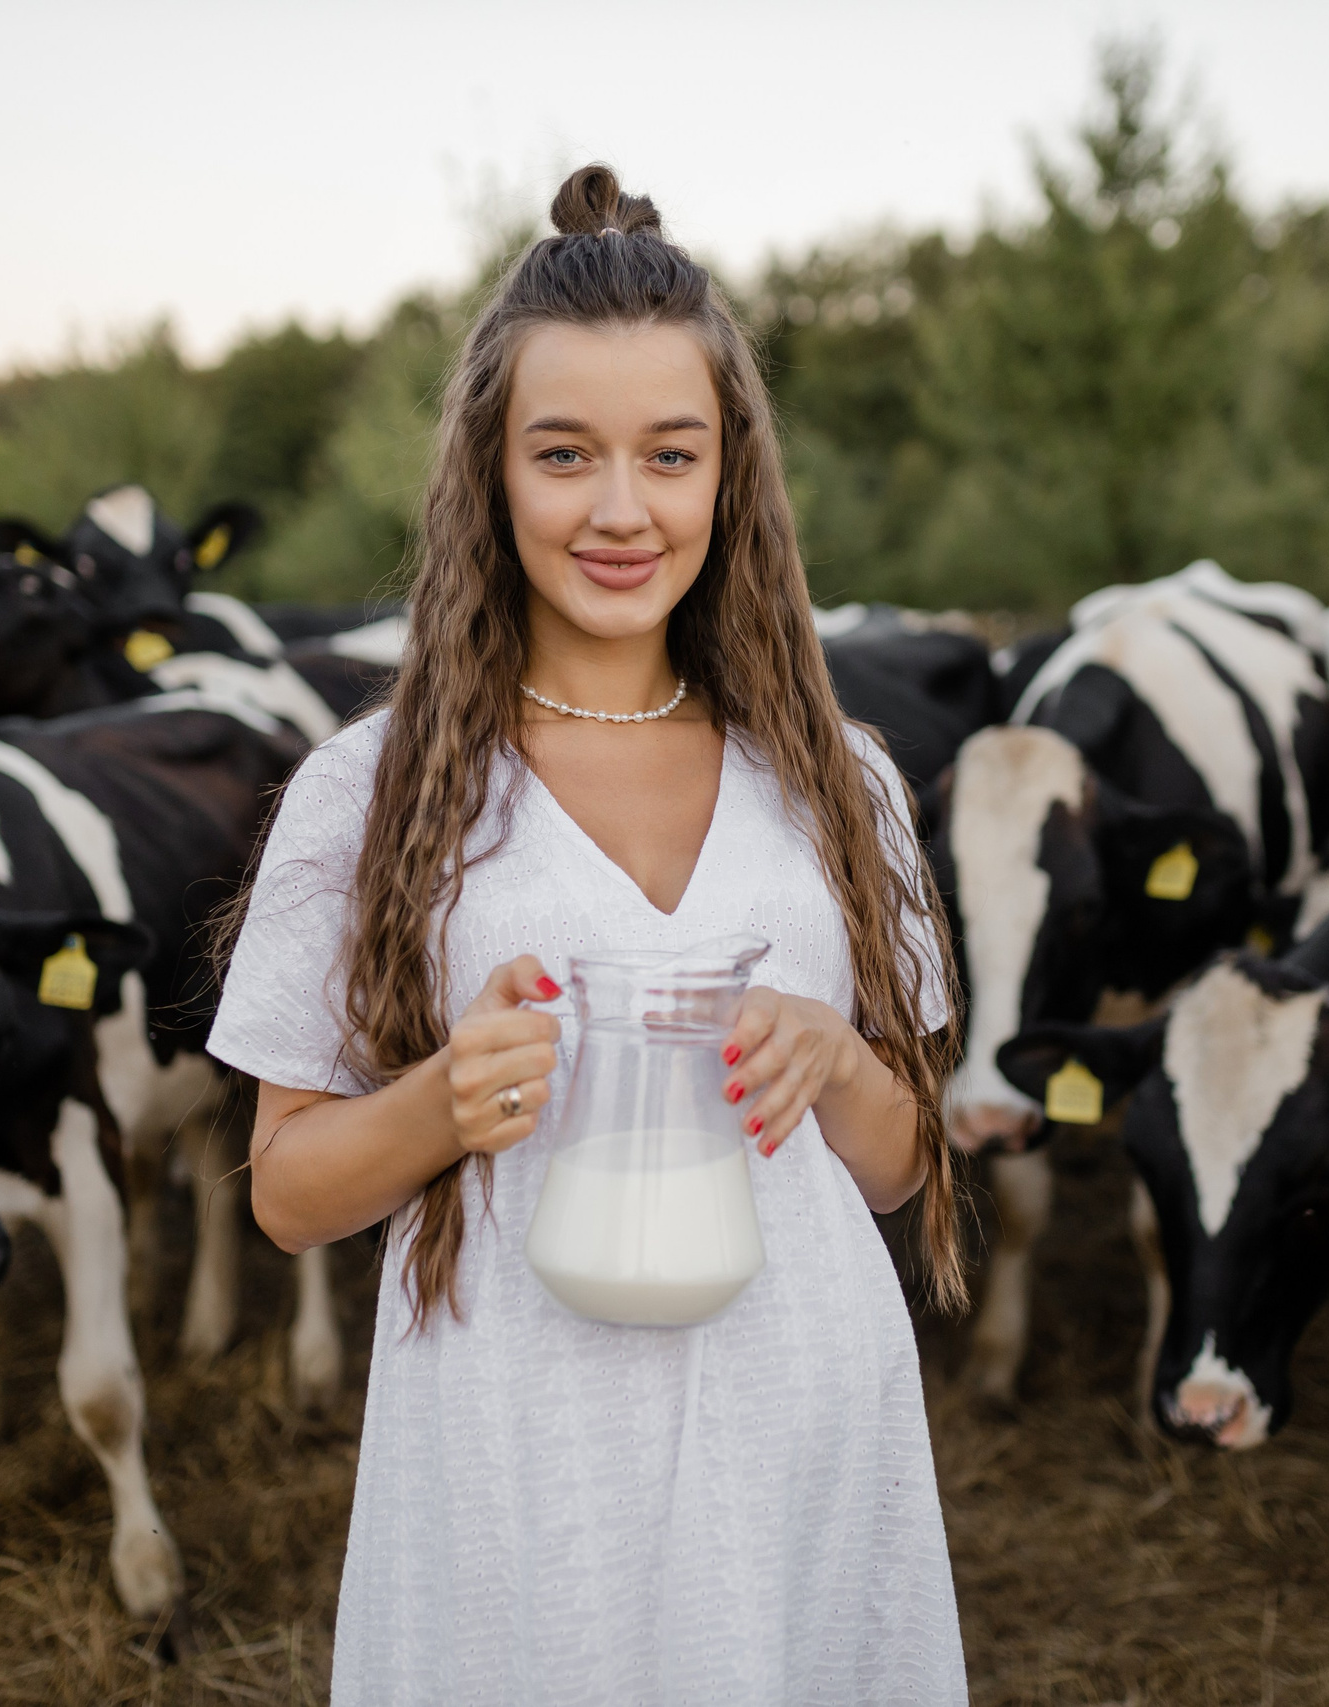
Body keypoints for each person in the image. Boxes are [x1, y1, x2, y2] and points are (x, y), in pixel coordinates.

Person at [211, 164, 968, 1706]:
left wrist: (829, 1058)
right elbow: (287, 1195)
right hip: (518, 1455)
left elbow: (897, 1166)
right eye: (565, 454)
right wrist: (438, 1099)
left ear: (729, 477)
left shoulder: (840, 777)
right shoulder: (374, 791)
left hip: (802, 1426)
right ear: (490, 475)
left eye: (669, 455)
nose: (621, 509)